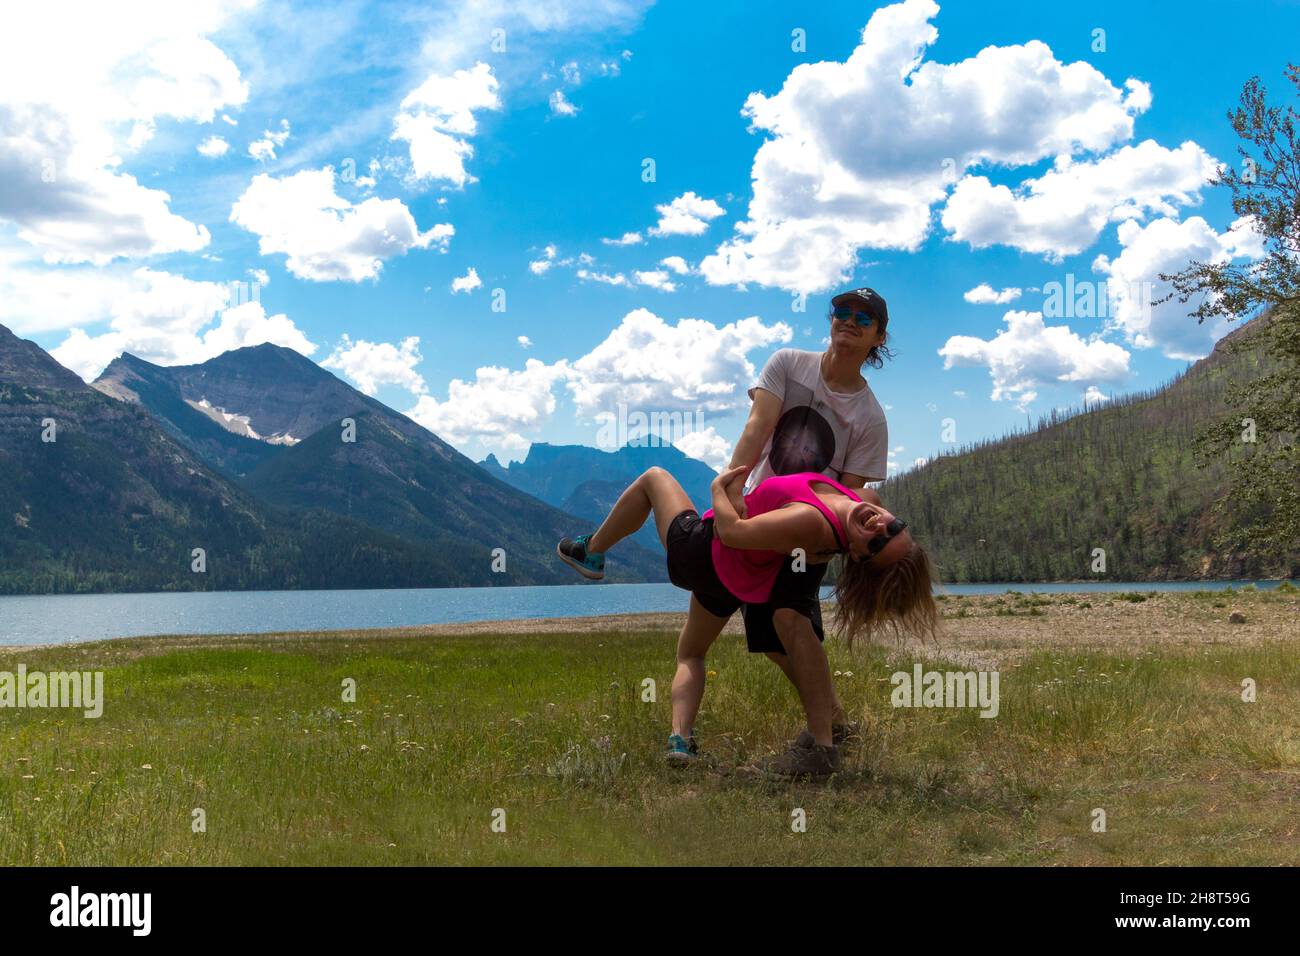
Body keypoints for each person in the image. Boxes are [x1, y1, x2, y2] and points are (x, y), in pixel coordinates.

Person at [556, 464, 937, 777]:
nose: (880, 527)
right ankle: (679, 742)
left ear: (856, 556)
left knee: (654, 478)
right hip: (740, 582)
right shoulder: (861, 504)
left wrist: (719, 489)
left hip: (702, 553)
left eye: (877, 543)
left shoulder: (813, 523)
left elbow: (732, 532)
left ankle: (591, 550)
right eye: (895, 528)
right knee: (691, 652)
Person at [727, 287, 893, 766]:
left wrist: (826, 541)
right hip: (758, 512)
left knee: (790, 619)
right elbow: (757, 429)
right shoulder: (787, 365)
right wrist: (733, 490)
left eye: (865, 318)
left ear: (878, 338)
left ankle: (822, 746)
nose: (850, 320)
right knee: (764, 631)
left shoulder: (870, 418)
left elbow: (848, 491)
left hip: (808, 529)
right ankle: (836, 717)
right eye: (843, 311)